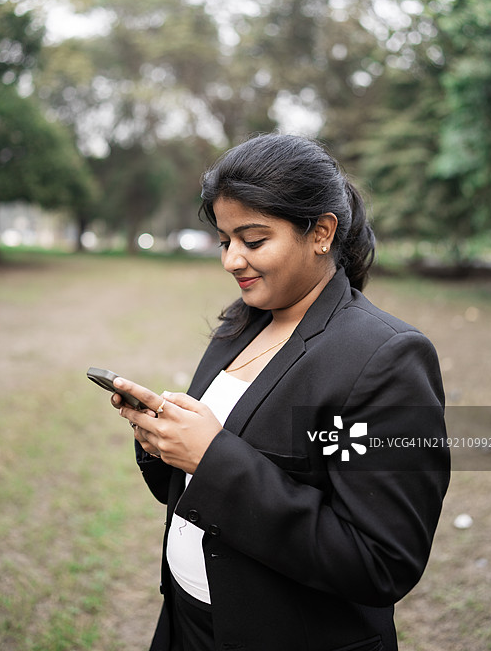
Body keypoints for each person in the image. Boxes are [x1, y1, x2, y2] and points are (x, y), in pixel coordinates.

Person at [110, 133, 450, 651]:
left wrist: (211, 457)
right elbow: (196, 494)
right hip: (186, 625)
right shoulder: (240, 325)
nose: (231, 260)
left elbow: (380, 561)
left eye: (253, 239)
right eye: (225, 241)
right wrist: (162, 438)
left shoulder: (385, 358)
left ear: (321, 233)